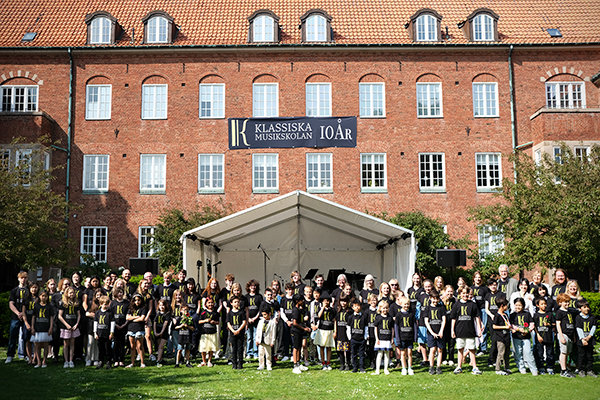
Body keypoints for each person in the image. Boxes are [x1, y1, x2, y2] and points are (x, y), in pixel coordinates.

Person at [451, 287, 483, 375]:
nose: (465, 295)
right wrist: (452, 330)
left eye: (466, 293)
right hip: (459, 331)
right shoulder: (456, 305)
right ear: (460, 294)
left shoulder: (473, 304)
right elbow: (453, 319)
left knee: (472, 349)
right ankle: (459, 367)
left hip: (470, 331)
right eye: (463, 293)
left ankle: (475, 367)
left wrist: (479, 329)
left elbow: (477, 317)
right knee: (460, 349)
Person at [509, 298, 538, 375]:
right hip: (516, 337)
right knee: (518, 353)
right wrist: (519, 329)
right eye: (516, 305)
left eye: (519, 305)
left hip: (526, 337)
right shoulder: (512, 315)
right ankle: (521, 368)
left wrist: (527, 331)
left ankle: (533, 369)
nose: (518, 307)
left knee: (528, 352)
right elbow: (511, 325)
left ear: (523, 306)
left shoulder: (527, 314)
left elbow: (532, 324)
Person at [58, 286, 81, 368]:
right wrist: (66, 325)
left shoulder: (76, 303)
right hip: (66, 326)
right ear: (66, 293)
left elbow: (78, 315)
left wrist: (76, 324)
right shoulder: (63, 303)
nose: (72, 294)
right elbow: (60, 316)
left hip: (74, 325)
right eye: (70, 292)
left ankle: (71, 360)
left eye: (73, 292)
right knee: (65, 344)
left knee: (72, 344)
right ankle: (66, 360)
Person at [424, 289, 445, 375]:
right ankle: (431, 366)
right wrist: (432, 333)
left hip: (440, 332)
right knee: (432, 350)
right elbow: (426, 321)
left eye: (437, 298)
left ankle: (438, 367)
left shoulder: (442, 308)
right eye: (433, 298)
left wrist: (441, 331)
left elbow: (444, 320)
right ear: (430, 298)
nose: (435, 300)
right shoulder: (427, 308)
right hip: (431, 333)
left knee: (440, 350)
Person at [31, 291, 54, 368]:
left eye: (45, 296)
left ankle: (44, 361)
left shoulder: (49, 306)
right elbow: (33, 317)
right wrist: (32, 327)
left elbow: (51, 317)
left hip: (46, 328)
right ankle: (38, 361)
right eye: (42, 296)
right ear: (40, 297)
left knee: (45, 345)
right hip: (37, 327)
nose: (44, 297)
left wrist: (51, 327)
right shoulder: (36, 306)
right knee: (37, 345)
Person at [555, 293, 576, 378]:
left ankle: (567, 368)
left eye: (568, 302)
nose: (567, 304)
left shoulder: (569, 312)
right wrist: (561, 336)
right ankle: (563, 370)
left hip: (570, 334)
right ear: (560, 303)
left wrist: (573, 336)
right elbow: (558, 324)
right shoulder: (559, 312)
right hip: (564, 334)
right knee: (563, 352)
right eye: (565, 302)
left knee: (568, 352)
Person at [484, 278, 504, 368]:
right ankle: (491, 359)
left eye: (495, 285)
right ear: (489, 286)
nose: (493, 286)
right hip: (491, 319)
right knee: (494, 339)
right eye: (491, 285)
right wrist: (492, 316)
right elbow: (486, 309)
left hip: (500, 319)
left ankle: (499, 359)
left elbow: (503, 307)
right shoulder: (487, 295)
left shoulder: (501, 294)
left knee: (500, 339)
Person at [533, 296, 555, 375]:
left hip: (548, 336)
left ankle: (550, 367)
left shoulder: (549, 314)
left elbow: (554, 324)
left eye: (545, 304)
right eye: (542, 304)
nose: (544, 306)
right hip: (540, 337)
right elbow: (534, 326)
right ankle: (541, 367)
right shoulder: (536, 315)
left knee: (550, 353)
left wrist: (549, 324)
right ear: (537, 305)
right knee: (539, 353)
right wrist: (538, 335)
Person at [575, 299, 597, 377]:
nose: (586, 308)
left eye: (587, 307)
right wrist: (583, 339)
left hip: (590, 340)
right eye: (584, 307)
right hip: (581, 340)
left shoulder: (592, 317)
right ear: (580, 309)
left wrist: (589, 336)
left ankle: (590, 370)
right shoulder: (578, 317)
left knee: (589, 356)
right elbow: (578, 328)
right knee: (581, 356)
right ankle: (581, 370)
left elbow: (594, 327)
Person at [314, 296, 336, 370]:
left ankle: (328, 363)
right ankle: (323, 362)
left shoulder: (332, 310)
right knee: (322, 346)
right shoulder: (320, 309)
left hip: (329, 330)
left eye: (327, 301)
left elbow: (335, 320)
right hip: (322, 330)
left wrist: (335, 331)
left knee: (329, 347)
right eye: (324, 301)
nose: (326, 302)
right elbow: (319, 316)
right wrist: (323, 307)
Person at [470, 271, 489, 355]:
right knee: (474, 329)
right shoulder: (471, 288)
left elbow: (487, 299)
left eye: (479, 277)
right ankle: (475, 346)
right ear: (473, 278)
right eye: (476, 277)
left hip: (482, 310)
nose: (478, 279)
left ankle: (483, 348)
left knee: (483, 328)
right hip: (474, 311)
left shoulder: (485, 288)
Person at [126, 294, 147, 368]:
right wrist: (136, 317)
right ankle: (132, 363)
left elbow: (142, 318)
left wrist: (132, 319)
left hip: (139, 328)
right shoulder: (130, 308)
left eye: (138, 300)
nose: (137, 302)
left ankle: (142, 362)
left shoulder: (143, 308)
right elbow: (127, 317)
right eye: (135, 300)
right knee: (132, 346)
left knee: (140, 345)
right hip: (131, 328)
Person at [372, 301, 393, 375]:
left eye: (386, 308)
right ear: (380, 308)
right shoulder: (378, 317)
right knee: (380, 354)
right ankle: (377, 370)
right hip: (380, 338)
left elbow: (392, 328)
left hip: (387, 338)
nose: (385, 310)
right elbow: (375, 328)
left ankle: (386, 369)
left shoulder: (390, 317)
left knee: (387, 354)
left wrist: (392, 338)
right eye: (383, 308)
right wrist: (377, 338)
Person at [491, 297, 511, 375]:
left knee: (507, 353)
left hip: (507, 336)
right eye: (506, 306)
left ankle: (507, 367)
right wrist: (504, 327)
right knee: (501, 353)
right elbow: (494, 326)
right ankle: (498, 368)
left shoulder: (505, 315)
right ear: (502, 306)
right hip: (500, 337)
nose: (507, 307)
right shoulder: (497, 315)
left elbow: (508, 323)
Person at [395, 296, 415, 375]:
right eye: (404, 304)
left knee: (410, 353)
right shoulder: (398, 315)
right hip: (402, 337)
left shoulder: (411, 314)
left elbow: (414, 325)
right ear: (400, 304)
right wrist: (397, 338)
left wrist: (415, 337)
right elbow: (396, 327)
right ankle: (404, 368)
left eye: (407, 304)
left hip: (410, 337)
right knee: (403, 353)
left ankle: (410, 367)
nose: (406, 306)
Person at [291, 294, 311, 374]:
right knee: (295, 347)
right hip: (296, 331)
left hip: (300, 331)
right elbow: (295, 323)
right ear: (297, 301)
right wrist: (303, 328)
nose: (303, 301)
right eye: (301, 300)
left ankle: (299, 364)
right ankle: (295, 365)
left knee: (299, 347)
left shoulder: (300, 309)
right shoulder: (295, 310)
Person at [93, 295, 114, 369]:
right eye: (104, 304)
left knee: (107, 348)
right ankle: (100, 361)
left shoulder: (110, 313)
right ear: (100, 304)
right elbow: (95, 322)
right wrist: (95, 332)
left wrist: (112, 333)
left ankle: (108, 361)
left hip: (107, 334)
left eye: (107, 304)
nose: (105, 306)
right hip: (99, 333)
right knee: (100, 348)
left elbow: (112, 323)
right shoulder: (98, 313)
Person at [347, 299, 367, 373]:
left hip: (361, 339)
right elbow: (348, 328)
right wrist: (350, 338)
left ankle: (362, 367)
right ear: (352, 307)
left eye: (358, 306)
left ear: (361, 307)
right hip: (353, 339)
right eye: (355, 306)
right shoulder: (350, 317)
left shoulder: (364, 317)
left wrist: (365, 337)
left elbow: (366, 327)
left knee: (361, 354)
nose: (357, 308)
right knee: (354, 354)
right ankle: (355, 367)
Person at [416, 279, 433, 365]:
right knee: (422, 341)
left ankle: (431, 359)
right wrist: (417, 319)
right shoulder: (421, 296)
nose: (427, 288)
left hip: (431, 321)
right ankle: (425, 359)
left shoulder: (434, 295)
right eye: (426, 287)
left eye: (429, 286)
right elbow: (418, 308)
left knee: (430, 341)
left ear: (432, 286)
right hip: (422, 321)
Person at [227, 296, 247, 369]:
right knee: (234, 348)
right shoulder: (229, 313)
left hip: (240, 333)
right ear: (231, 303)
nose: (237, 303)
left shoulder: (241, 312)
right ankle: (234, 364)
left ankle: (240, 364)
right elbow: (228, 323)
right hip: (233, 333)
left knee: (240, 348)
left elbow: (244, 322)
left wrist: (238, 330)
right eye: (235, 302)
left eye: (238, 302)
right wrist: (233, 331)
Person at [198, 297, 219, 367]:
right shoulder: (203, 312)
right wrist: (205, 320)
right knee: (203, 348)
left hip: (212, 332)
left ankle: (209, 361)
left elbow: (218, 322)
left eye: (212, 302)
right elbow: (199, 321)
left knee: (211, 347)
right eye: (209, 303)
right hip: (204, 332)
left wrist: (214, 322)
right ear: (206, 304)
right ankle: (204, 361)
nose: (210, 304)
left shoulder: (215, 312)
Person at [244, 279, 263, 359]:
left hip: (256, 320)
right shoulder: (246, 297)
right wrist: (248, 319)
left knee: (256, 337)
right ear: (248, 287)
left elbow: (260, 309)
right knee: (249, 337)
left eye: (254, 286)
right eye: (251, 286)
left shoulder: (259, 296)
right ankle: (249, 352)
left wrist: (255, 318)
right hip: (248, 320)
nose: (253, 287)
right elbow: (245, 309)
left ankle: (256, 352)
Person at [23, 282, 39, 364]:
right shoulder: (26, 299)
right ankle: (29, 358)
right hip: (27, 322)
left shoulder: (39, 299)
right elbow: (23, 312)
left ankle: (35, 359)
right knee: (27, 341)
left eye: (35, 287)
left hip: (37, 322)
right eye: (32, 287)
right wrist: (26, 323)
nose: (34, 289)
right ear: (29, 289)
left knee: (35, 341)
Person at [256, 306, 277, 371]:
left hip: (268, 340)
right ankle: (261, 365)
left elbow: (274, 333)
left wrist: (272, 342)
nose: (264, 316)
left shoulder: (272, 323)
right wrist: (257, 339)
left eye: (265, 314)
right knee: (261, 353)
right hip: (261, 340)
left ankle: (269, 365)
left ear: (269, 313)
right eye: (263, 315)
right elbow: (258, 331)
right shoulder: (260, 321)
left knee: (268, 354)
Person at [279, 282, 295, 361]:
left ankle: (293, 354)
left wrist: (292, 320)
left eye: (291, 290)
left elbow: (296, 310)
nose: (290, 291)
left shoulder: (295, 299)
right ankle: (286, 354)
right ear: (286, 290)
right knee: (285, 337)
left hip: (293, 321)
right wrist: (287, 321)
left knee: (293, 338)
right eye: (288, 290)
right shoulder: (283, 299)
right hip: (285, 321)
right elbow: (281, 311)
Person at [174, 304, 194, 368]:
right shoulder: (179, 318)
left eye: (186, 310)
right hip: (181, 336)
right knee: (179, 350)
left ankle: (187, 362)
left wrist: (188, 326)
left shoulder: (190, 319)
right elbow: (175, 327)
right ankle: (177, 363)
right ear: (181, 311)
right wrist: (181, 326)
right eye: (184, 310)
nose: (185, 311)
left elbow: (193, 328)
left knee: (188, 349)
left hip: (188, 335)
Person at [335, 295, 351, 371]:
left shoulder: (350, 311)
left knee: (347, 349)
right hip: (339, 332)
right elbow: (335, 321)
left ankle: (348, 363)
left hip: (346, 332)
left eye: (344, 301)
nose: (343, 303)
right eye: (341, 301)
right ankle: (342, 364)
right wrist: (335, 331)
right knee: (340, 349)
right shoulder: (338, 310)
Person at [441, 285, 456, 366]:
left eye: (451, 291)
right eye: (448, 291)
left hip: (452, 324)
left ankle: (451, 359)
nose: (450, 293)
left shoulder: (455, 300)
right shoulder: (441, 300)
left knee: (451, 343)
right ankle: (443, 358)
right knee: (443, 343)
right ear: (445, 292)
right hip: (444, 325)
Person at [153, 299, 171, 367]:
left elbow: (165, 324)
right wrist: (155, 331)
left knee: (161, 346)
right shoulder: (157, 313)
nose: (162, 307)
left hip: (164, 332)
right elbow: (154, 322)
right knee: (159, 346)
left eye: (163, 305)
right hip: (157, 330)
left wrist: (161, 332)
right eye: (160, 305)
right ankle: (160, 359)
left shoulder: (167, 314)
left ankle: (158, 360)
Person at [365, 294, 379, 369]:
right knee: (370, 348)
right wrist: (366, 333)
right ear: (369, 302)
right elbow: (366, 323)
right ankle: (371, 362)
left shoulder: (379, 310)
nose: (373, 302)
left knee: (377, 348)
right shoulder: (367, 311)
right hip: (370, 332)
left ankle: (377, 361)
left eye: (375, 300)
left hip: (377, 333)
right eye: (372, 300)